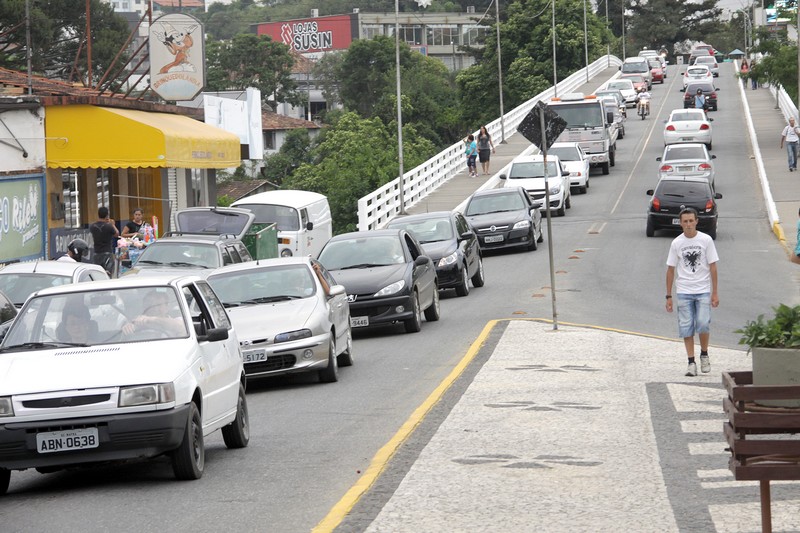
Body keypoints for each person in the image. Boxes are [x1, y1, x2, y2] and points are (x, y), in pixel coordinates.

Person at [665, 207, 719, 377]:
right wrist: (668, 295)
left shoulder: (706, 240)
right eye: (685, 221)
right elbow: (671, 270)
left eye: (691, 221)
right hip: (684, 291)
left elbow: (713, 267)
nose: (688, 224)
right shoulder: (676, 243)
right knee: (686, 327)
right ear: (680, 223)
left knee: (703, 323)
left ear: (696, 221)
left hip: (703, 289)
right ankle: (691, 362)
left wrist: (715, 292)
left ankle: (704, 354)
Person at [89, 206, 119, 275]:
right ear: (107, 215)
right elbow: (117, 234)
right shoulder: (109, 226)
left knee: (97, 274)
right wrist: (113, 224)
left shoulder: (92, 226)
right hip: (107, 253)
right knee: (108, 274)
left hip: (96, 253)